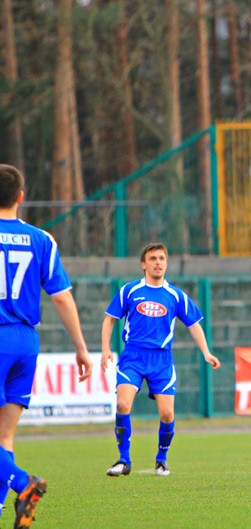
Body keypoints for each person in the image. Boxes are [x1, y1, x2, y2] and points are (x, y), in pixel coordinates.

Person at [0, 164, 93, 528]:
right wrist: (82, 347)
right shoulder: (41, 239)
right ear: (21, 197)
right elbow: (61, 299)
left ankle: (23, 483)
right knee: (4, 434)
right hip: (25, 341)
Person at [100, 242, 221, 477]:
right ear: (143, 264)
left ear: (166, 263)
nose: (158, 263)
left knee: (167, 414)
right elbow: (109, 320)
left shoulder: (175, 295)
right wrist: (105, 349)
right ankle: (124, 460)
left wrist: (206, 352)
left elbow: (194, 325)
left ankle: (161, 460)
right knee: (123, 405)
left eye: (162, 259)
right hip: (133, 356)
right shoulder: (129, 290)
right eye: (153, 258)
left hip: (161, 360)